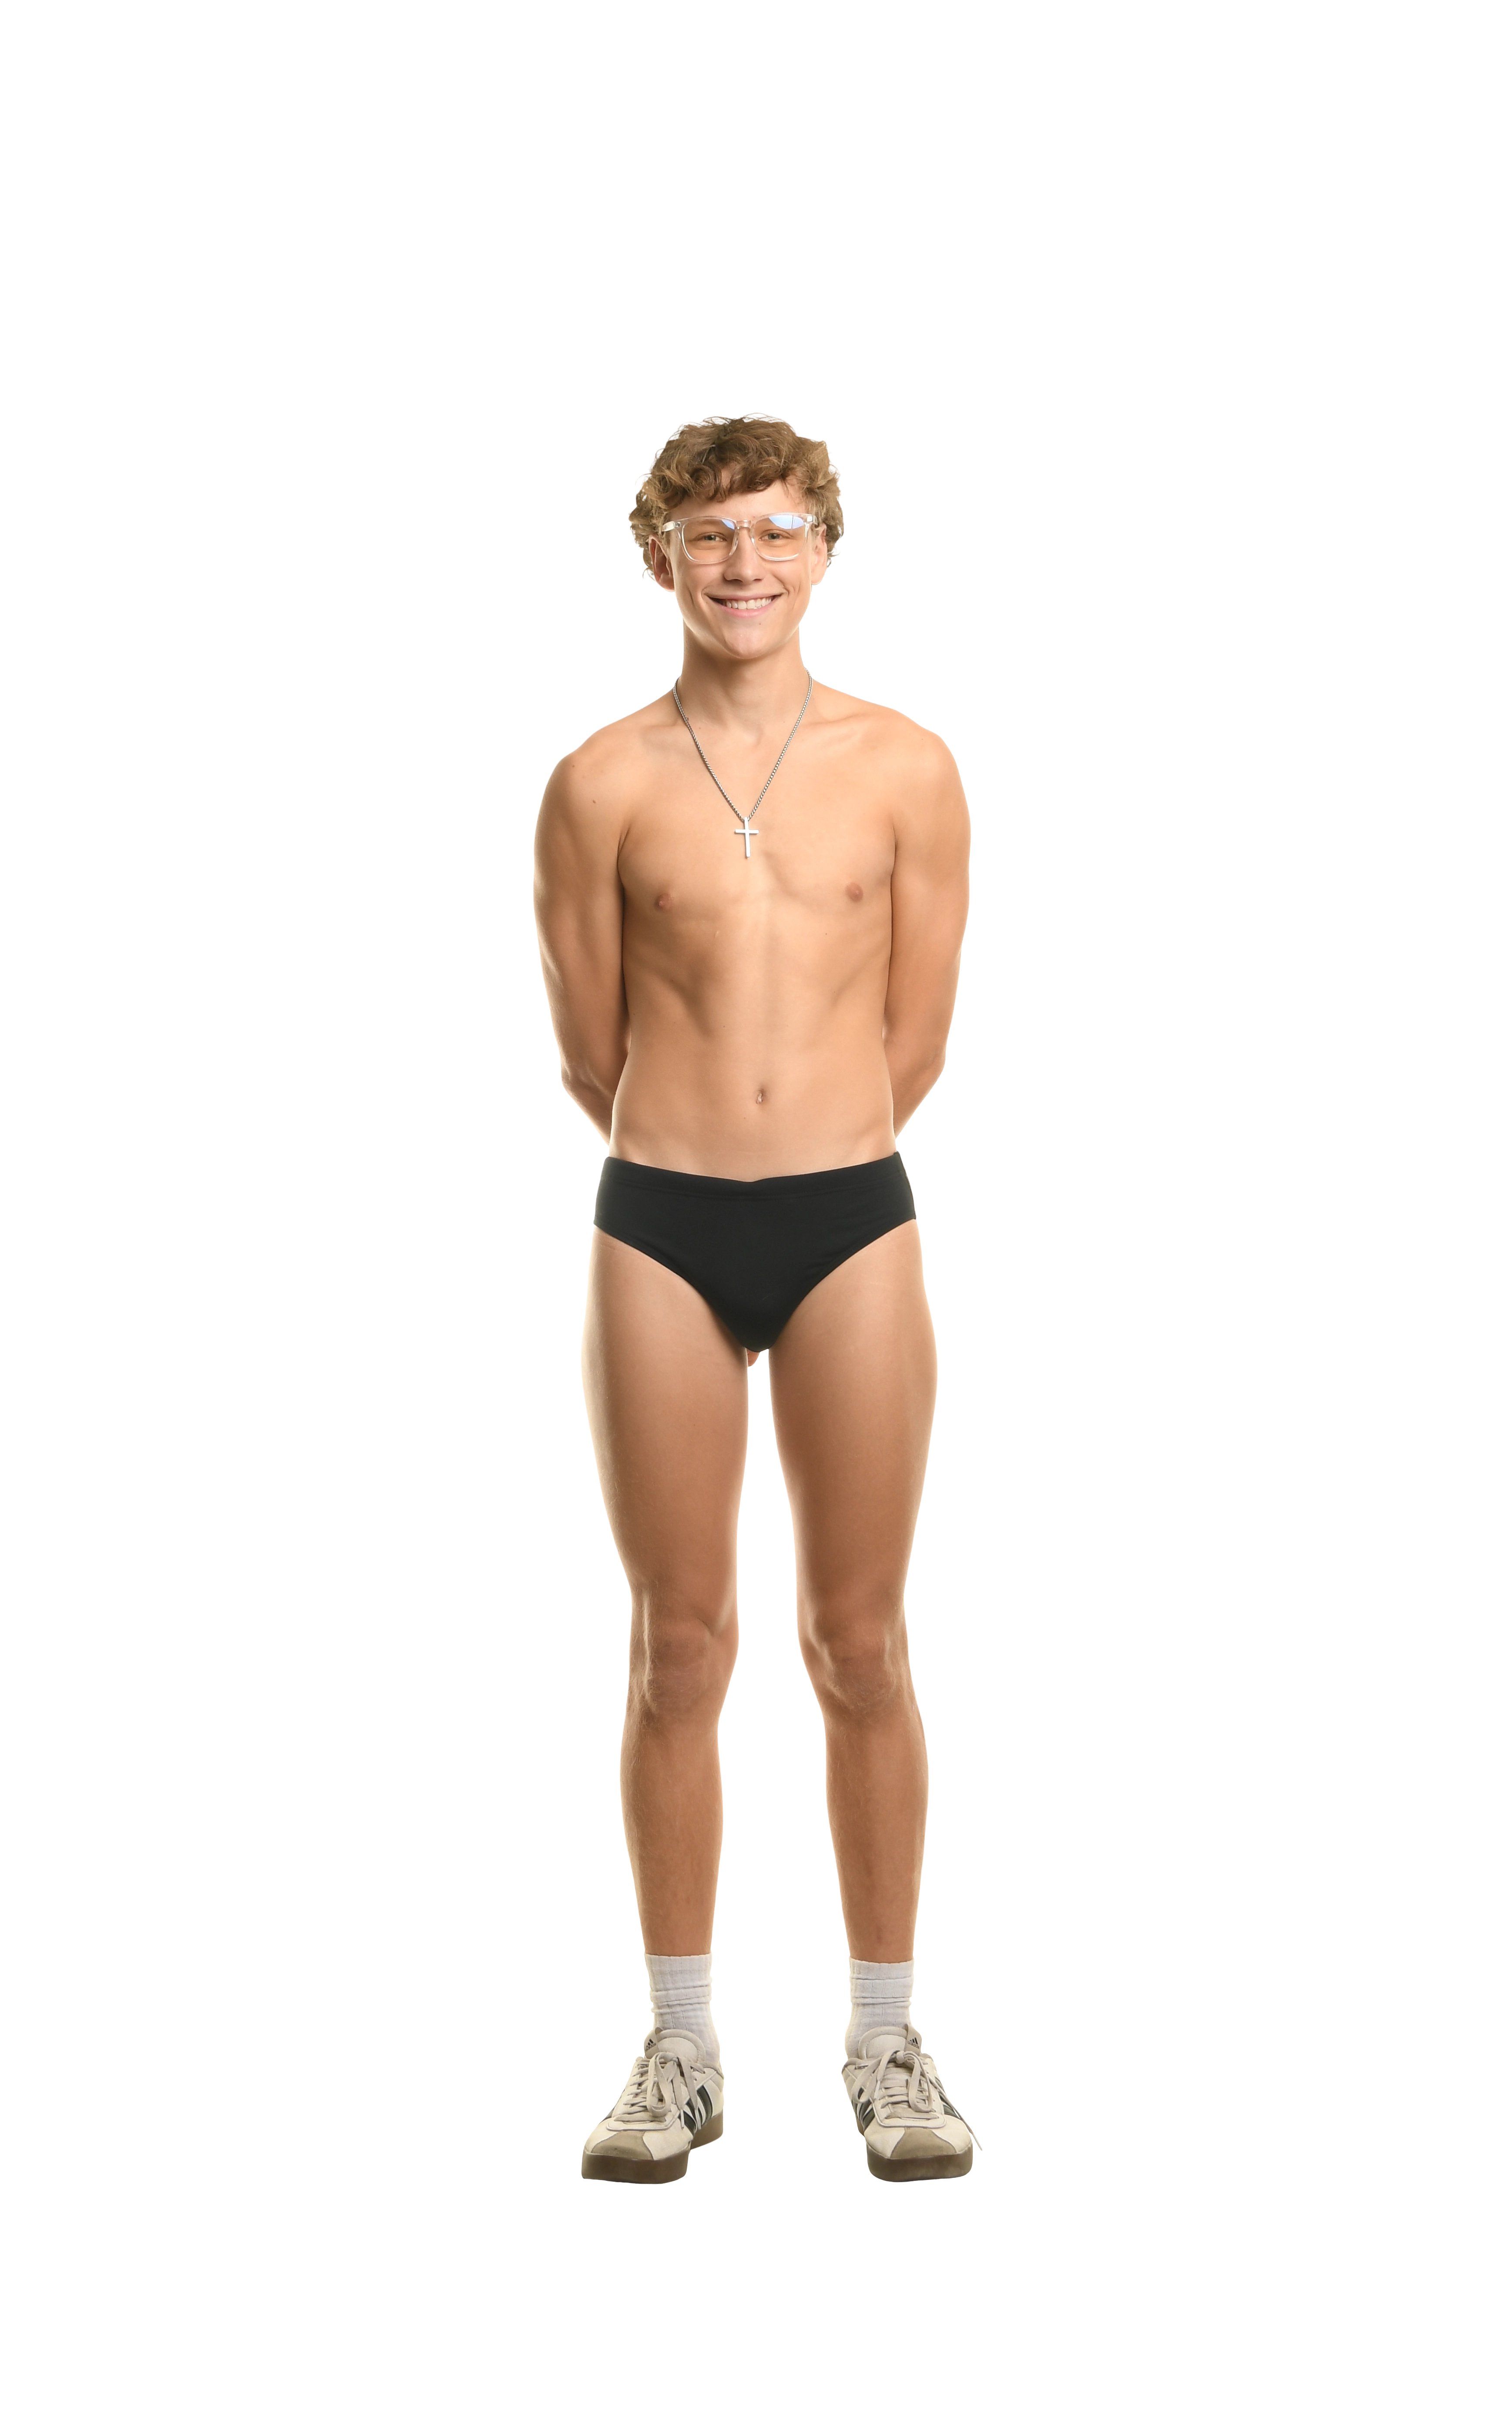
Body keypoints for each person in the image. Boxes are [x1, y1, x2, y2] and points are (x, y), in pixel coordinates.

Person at [532, 405, 973, 2187]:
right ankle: (682, 2051)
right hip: (659, 1224)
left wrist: (811, 1144)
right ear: (659, 557)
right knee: (681, 1646)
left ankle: (888, 2048)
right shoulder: (598, 782)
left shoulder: (908, 766)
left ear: (827, 553)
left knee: (861, 1643)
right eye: (709, 532)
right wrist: (704, 1149)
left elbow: (919, 1034)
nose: (745, 562)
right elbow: (589, 1048)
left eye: (782, 528)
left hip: (852, 1219)